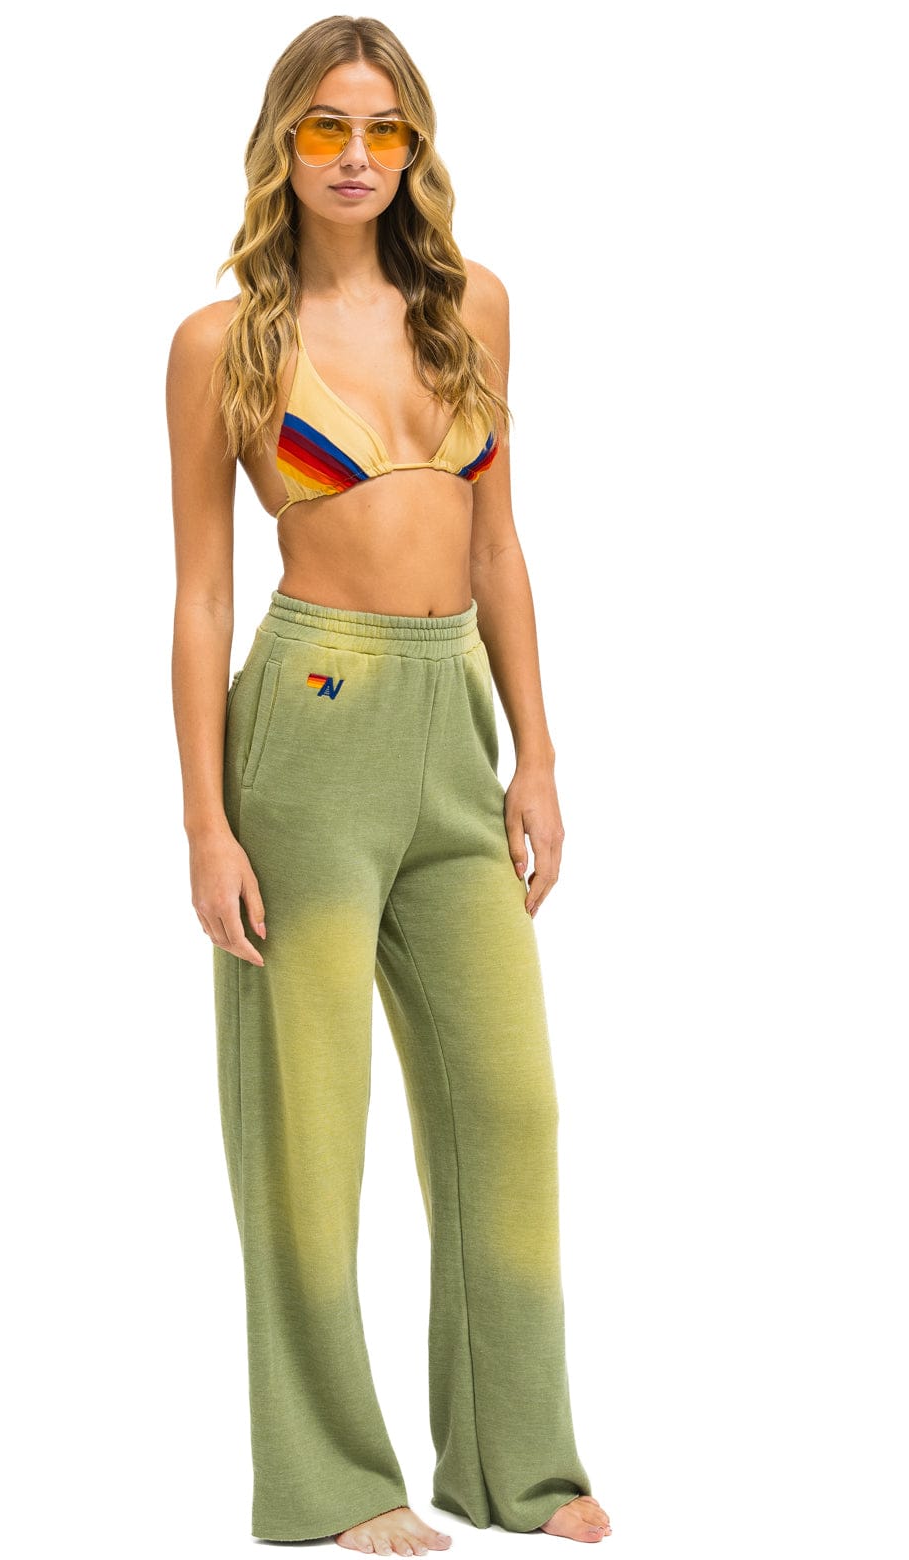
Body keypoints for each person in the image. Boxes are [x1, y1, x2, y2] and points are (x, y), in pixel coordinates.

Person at [166, 15, 612, 1555]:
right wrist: (206, 820)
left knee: (510, 1108)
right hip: (309, 721)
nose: (355, 156)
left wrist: (538, 752)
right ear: (282, 144)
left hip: (454, 727)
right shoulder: (223, 343)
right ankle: (334, 1484)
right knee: (309, 1126)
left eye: (383, 129)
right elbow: (202, 597)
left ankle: (515, 1468)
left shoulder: (472, 307)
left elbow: (501, 545)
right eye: (325, 128)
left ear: (414, 146)